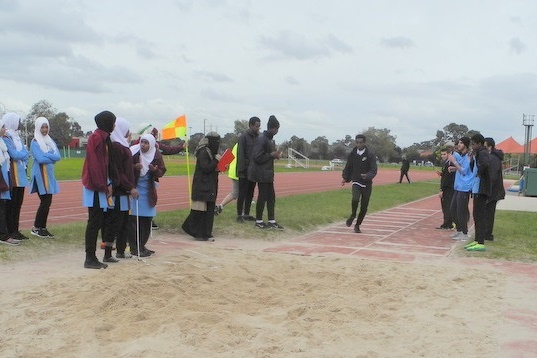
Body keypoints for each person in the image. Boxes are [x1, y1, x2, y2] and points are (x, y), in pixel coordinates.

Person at [82, 110, 116, 269]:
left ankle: (92, 257)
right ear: (107, 123)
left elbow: (106, 164)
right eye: (113, 122)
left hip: (102, 185)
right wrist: (103, 185)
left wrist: (109, 183)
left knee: (99, 221)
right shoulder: (96, 138)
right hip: (95, 186)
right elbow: (95, 166)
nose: (114, 125)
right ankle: (89, 258)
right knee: (94, 222)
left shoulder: (105, 138)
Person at [103, 117, 139, 262]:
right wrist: (130, 187)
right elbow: (118, 171)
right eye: (127, 129)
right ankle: (107, 254)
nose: (129, 132)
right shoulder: (117, 147)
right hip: (119, 191)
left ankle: (121, 251)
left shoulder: (122, 145)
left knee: (124, 223)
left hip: (125, 192)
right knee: (115, 223)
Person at [129, 133, 166, 256]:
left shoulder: (156, 154)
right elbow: (125, 168)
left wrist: (154, 170)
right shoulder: (134, 152)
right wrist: (134, 167)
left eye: (146, 143)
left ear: (151, 144)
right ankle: (135, 248)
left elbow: (162, 171)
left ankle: (142, 245)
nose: (143, 145)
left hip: (149, 191)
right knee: (135, 220)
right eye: (142, 142)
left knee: (147, 220)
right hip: (136, 190)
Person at [182, 132, 221, 240]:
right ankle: (199, 233)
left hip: (210, 185)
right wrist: (216, 161)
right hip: (202, 185)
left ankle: (206, 233)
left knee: (209, 210)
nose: (217, 144)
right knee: (200, 211)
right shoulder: (203, 152)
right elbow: (206, 168)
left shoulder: (211, 152)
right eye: (215, 141)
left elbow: (212, 168)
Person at [248, 115, 284, 230]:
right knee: (262, 196)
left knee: (271, 197)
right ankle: (258, 221)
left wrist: (275, 156)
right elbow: (257, 157)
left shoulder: (269, 139)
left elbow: (268, 155)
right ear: (272, 128)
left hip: (268, 173)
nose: (277, 131)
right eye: (277, 129)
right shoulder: (262, 138)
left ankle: (271, 220)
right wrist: (271, 155)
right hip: (261, 173)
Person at [29, 117, 61, 238]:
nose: (44, 129)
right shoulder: (35, 142)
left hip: (49, 175)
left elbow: (58, 156)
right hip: (40, 175)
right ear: (38, 127)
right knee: (45, 201)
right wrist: (50, 156)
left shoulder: (49, 140)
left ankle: (43, 227)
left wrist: (47, 155)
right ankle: (36, 227)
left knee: (47, 202)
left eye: (46, 127)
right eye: (42, 127)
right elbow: (40, 159)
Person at [342, 134, 378, 233]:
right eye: (357, 143)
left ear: (364, 143)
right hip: (356, 182)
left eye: (361, 143)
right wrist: (345, 178)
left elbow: (374, 170)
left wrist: (367, 176)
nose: (359, 145)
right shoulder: (352, 154)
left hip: (367, 184)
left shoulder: (370, 155)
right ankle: (353, 214)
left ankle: (357, 225)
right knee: (355, 199)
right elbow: (348, 167)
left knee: (364, 207)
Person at [2, 112, 30, 241]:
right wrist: (23, 153)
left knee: (18, 204)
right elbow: (15, 154)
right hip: (13, 175)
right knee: (11, 204)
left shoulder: (18, 137)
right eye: (18, 121)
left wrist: (23, 154)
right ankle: (10, 230)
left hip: (21, 174)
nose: (20, 124)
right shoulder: (6, 137)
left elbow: (25, 152)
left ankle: (15, 229)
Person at [465, 134, 490, 251]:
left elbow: (485, 165)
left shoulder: (482, 152)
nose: (472, 146)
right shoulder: (477, 153)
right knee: (476, 215)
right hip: (476, 188)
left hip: (481, 188)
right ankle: (477, 240)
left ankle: (480, 242)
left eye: (473, 144)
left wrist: (478, 173)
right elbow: (473, 167)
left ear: (479, 144)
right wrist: (471, 161)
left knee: (479, 216)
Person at [448, 137, 474, 241]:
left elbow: (464, 171)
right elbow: (462, 168)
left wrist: (454, 162)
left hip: (465, 186)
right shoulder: (463, 156)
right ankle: (459, 230)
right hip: (458, 186)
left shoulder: (468, 156)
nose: (459, 144)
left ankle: (464, 232)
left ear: (466, 145)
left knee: (461, 210)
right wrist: (454, 168)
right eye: (458, 142)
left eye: (461, 143)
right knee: (453, 209)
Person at [236, 116, 261, 222]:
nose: (258, 128)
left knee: (250, 193)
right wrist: (241, 170)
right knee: (242, 193)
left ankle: (246, 213)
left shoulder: (259, 137)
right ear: (250, 125)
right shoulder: (243, 137)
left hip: (253, 171)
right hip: (244, 170)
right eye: (256, 126)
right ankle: (239, 215)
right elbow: (240, 154)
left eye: (259, 126)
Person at [0, 117, 19, 245]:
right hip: (1, 178)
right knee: (1, 207)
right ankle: (3, 235)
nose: (5, 129)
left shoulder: (2, 142)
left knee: (4, 206)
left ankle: (4, 233)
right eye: (2, 127)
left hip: (5, 177)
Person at [483, 137, 505, 241]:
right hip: (493, 190)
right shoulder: (493, 157)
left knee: (489, 212)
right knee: (488, 212)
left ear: (490, 147)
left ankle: (487, 234)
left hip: (492, 191)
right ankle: (486, 233)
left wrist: (488, 192)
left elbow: (492, 176)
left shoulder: (493, 158)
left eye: (485, 146)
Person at [215, 142, 238, 215]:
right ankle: (243, 212)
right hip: (238, 172)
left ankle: (220, 206)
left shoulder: (236, 145)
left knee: (236, 193)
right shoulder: (244, 144)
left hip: (234, 171)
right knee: (238, 193)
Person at [436, 147, 455, 230]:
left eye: (444, 154)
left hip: (448, 189)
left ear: (449, 154)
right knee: (446, 206)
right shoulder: (446, 164)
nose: (443, 156)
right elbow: (446, 176)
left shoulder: (450, 164)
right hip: (448, 188)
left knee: (446, 206)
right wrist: (442, 174)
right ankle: (447, 223)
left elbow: (447, 179)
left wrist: (441, 190)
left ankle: (447, 224)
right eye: (442, 154)